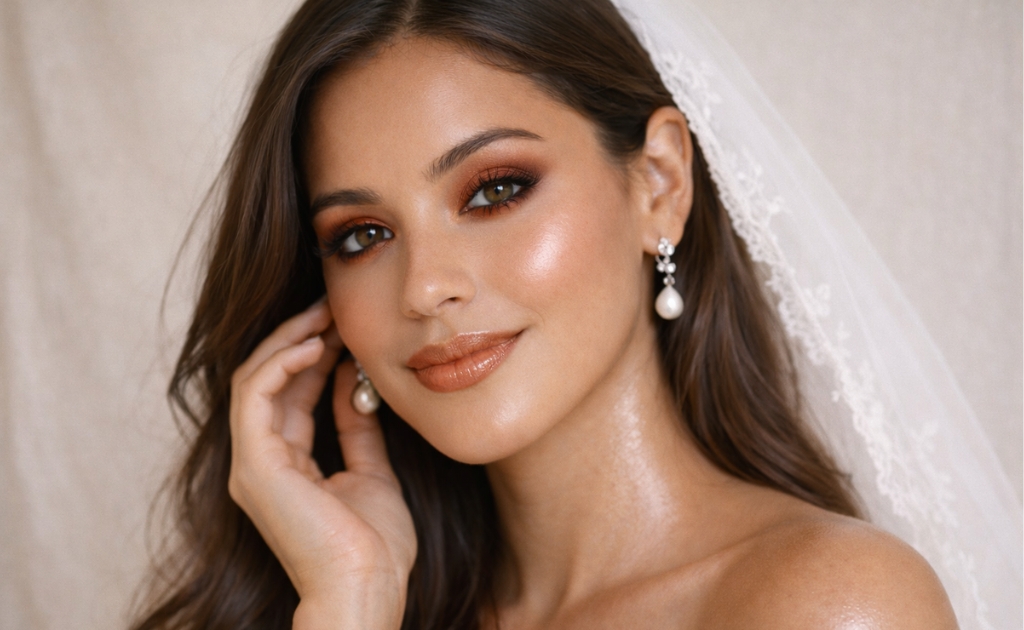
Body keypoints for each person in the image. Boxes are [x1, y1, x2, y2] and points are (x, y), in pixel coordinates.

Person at [130, 0, 1019, 628]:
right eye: (362, 235)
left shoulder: (827, 607)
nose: (424, 288)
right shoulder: (357, 594)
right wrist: (350, 602)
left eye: (496, 190)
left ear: (659, 185)